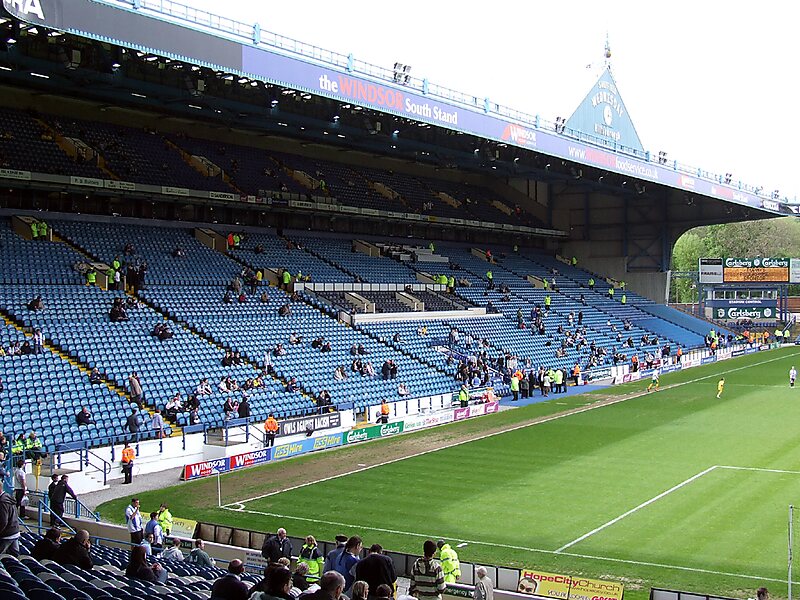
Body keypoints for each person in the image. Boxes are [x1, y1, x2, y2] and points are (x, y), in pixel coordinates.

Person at [0, 486, 19, 556]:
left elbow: (3, 521)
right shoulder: (7, 497)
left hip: (7, 534)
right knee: (15, 556)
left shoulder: (2, 502)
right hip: (14, 530)